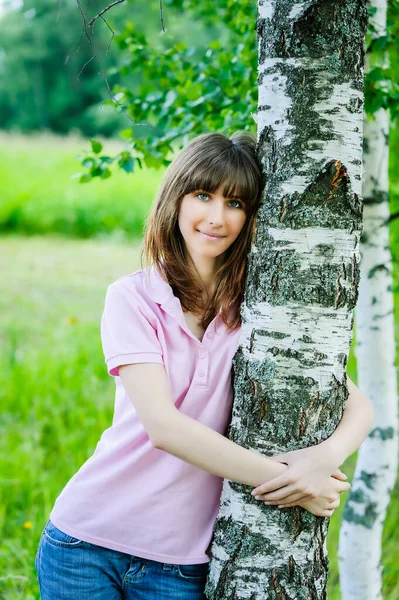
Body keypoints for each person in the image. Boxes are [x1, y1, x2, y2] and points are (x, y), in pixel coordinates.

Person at [35, 132, 374, 600]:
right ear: (175, 199)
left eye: (234, 202)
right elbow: (164, 428)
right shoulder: (134, 298)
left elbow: (359, 407)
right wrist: (294, 484)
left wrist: (321, 463)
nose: (216, 217)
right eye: (202, 195)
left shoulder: (259, 312)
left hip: (179, 566)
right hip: (85, 544)